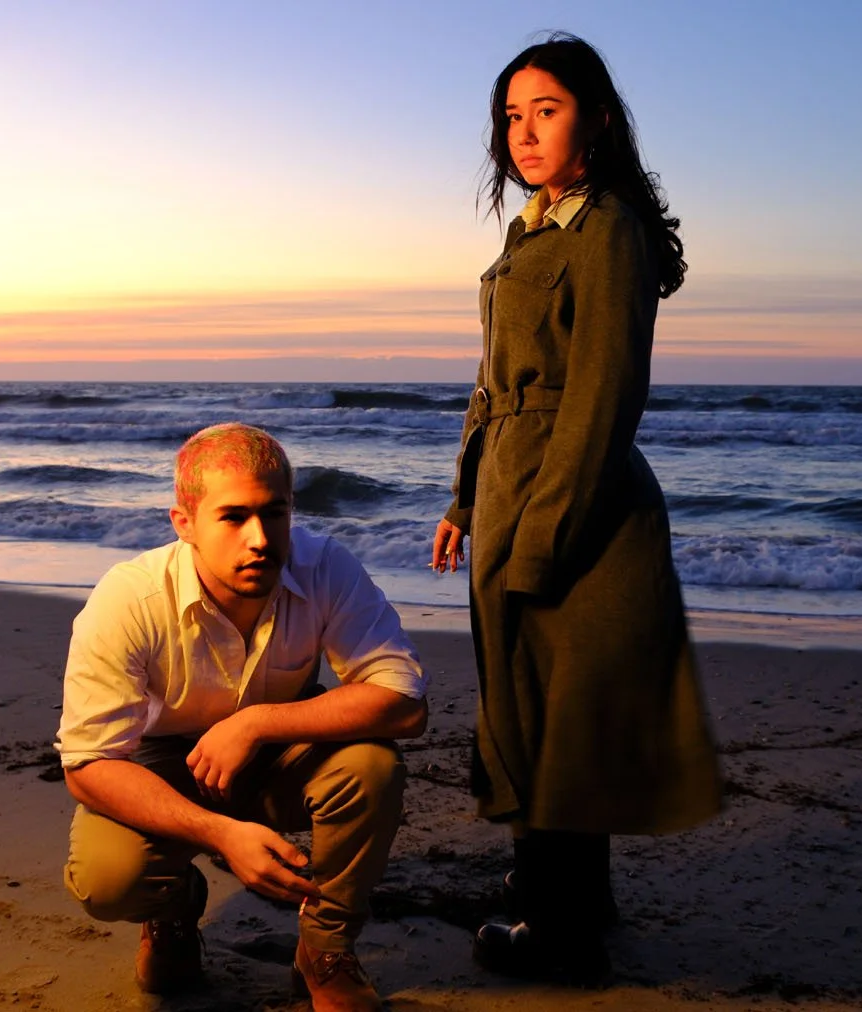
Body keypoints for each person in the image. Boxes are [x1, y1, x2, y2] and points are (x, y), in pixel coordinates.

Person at [430, 33, 721, 985]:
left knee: (563, 718)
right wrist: (464, 500)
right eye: (511, 117)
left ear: (596, 116)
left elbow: (602, 400)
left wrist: (543, 535)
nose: (522, 132)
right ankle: (569, 901)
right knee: (528, 708)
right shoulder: (529, 233)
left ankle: (560, 939)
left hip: (574, 501)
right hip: (509, 489)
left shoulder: (610, 231)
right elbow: (488, 385)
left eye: (544, 111)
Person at [60, 422, 427, 1012]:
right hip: (163, 765)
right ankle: (173, 911)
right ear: (185, 524)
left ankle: (324, 949)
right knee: (109, 880)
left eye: (274, 513)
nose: (260, 538)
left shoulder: (325, 567)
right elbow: (88, 765)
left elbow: (405, 702)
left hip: (279, 754)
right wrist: (220, 834)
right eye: (232, 517)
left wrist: (255, 724)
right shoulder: (128, 600)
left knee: (371, 769)